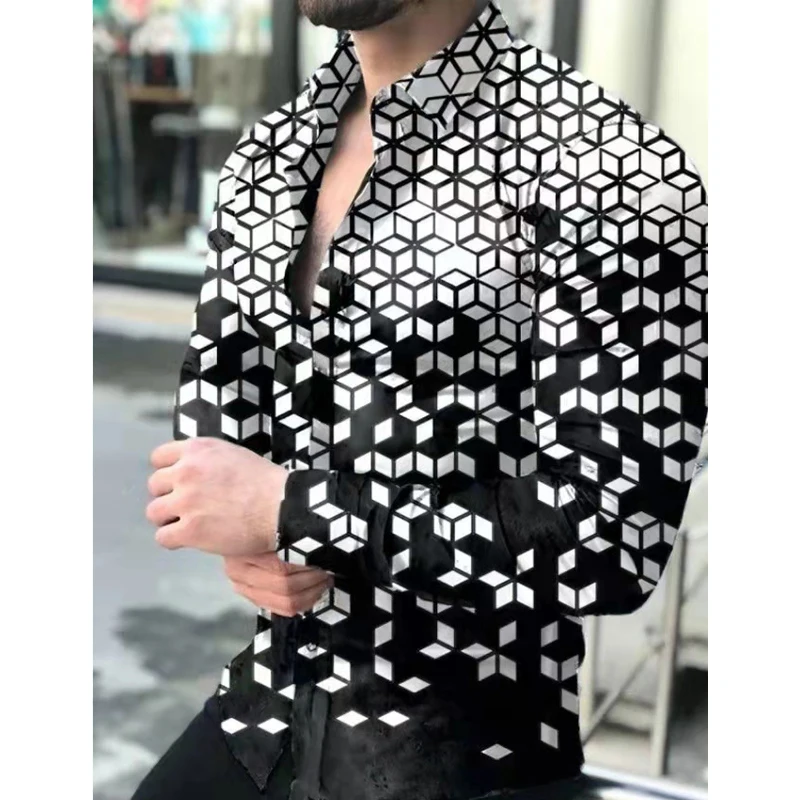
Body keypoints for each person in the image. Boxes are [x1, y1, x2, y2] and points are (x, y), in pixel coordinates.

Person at [137, 0, 708, 798]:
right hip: (270, 711)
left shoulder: (611, 171)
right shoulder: (268, 156)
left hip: (473, 752)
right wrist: (249, 540)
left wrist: (293, 509)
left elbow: (612, 539)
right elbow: (215, 425)